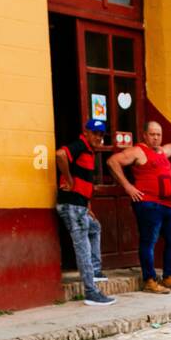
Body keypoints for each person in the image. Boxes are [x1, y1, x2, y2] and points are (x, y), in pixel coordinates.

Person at [108, 121, 171, 294]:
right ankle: (149, 280)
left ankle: (168, 277)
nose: (156, 137)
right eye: (152, 134)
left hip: (167, 206)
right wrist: (128, 187)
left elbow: (170, 147)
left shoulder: (161, 152)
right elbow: (113, 161)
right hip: (149, 204)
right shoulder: (138, 151)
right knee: (149, 241)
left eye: (158, 134)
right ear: (144, 135)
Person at [56, 120, 115, 306]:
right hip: (72, 206)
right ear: (87, 132)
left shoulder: (90, 152)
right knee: (83, 248)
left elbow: (86, 184)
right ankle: (90, 291)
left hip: (80, 206)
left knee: (95, 228)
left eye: (101, 134)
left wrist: (87, 206)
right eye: (95, 133)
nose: (98, 137)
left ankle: (95, 272)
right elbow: (60, 155)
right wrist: (68, 179)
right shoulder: (81, 145)